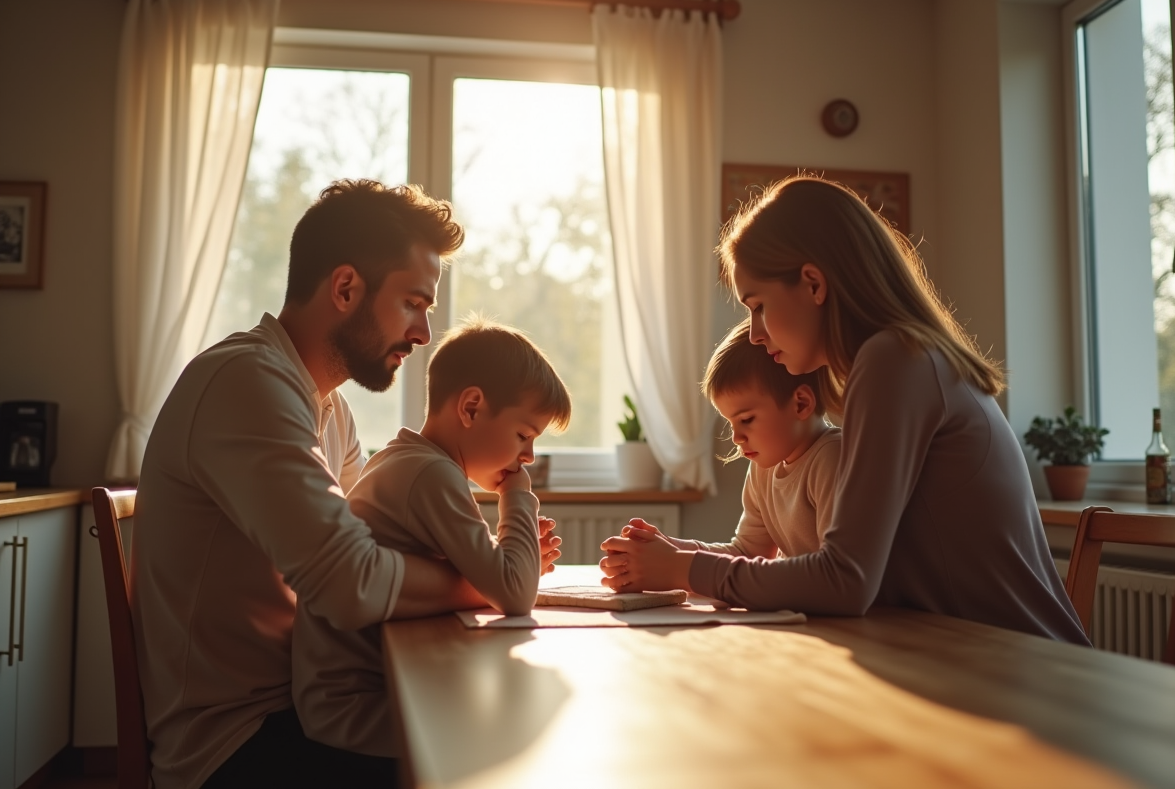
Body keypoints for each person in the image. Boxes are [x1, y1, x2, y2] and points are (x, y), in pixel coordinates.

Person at [130, 180, 560, 789]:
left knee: (500, 726)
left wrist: (489, 569)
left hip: (303, 704)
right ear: (346, 288)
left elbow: (381, 553)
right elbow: (352, 583)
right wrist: (486, 580)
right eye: (414, 303)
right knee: (498, 756)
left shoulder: (328, 408)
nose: (422, 333)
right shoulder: (246, 383)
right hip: (238, 743)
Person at [599, 176, 1089, 644]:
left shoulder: (895, 359)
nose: (754, 333)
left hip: (1028, 667)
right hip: (970, 652)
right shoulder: (892, 361)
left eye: (759, 306)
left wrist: (685, 570)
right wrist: (679, 557)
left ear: (813, 284)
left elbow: (844, 580)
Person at [292, 318, 570, 757]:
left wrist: (519, 561)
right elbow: (514, 595)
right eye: (523, 435)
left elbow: (492, 576)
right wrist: (518, 499)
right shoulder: (431, 474)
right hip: (356, 713)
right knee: (513, 740)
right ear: (471, 408)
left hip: (348, 698)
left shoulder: (406, 458)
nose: (528, 457)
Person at [617, 317, 840, 573]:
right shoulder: (763, 467)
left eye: (746, 419)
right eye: (730, 423)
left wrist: (678, 568)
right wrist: (671, 549)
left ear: (800, 404)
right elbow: (745, 553)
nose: (736, 437)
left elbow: (832, 573)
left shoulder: (831, 460)